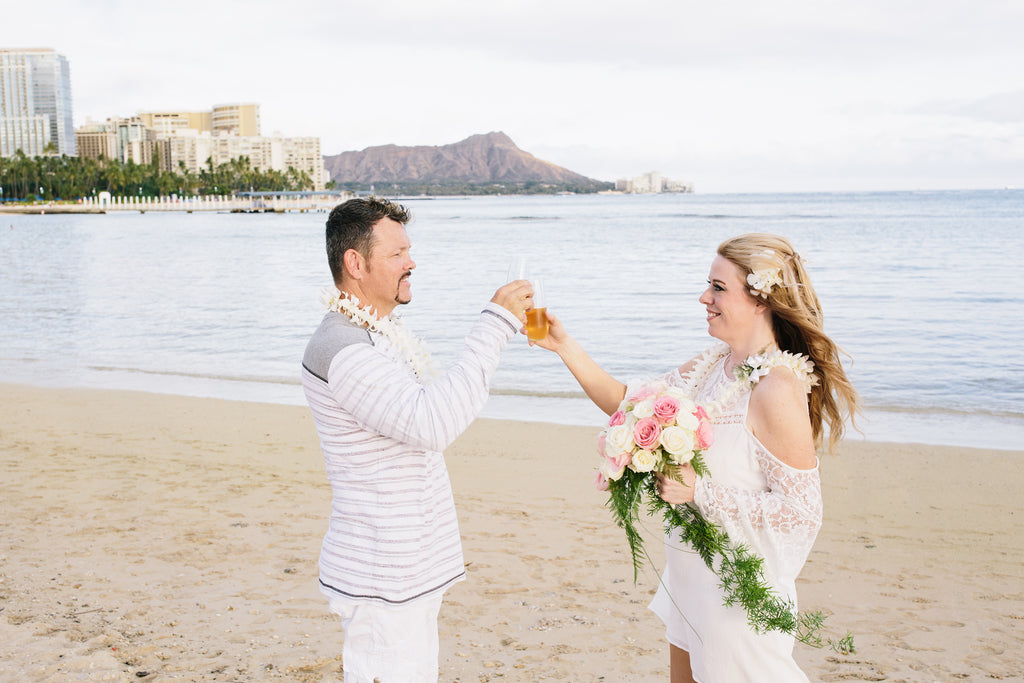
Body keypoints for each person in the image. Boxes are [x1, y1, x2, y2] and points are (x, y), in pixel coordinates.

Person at [532, 233, 858, 682]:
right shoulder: (713, 366)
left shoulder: (776, 387)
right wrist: (564, 347)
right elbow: (630, 404)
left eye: (718, 287)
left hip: (739, 595)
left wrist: (698, 491)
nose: (704, 297)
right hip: (691, 573)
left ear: (761, 298)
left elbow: (803, 513)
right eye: (709, 284)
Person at [301, 196, 533, 682]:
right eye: (397, 253)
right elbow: (432, 424)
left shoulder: (375, 334)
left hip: (404, 566)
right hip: (381, 573)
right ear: (355, 263)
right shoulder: (344, 349)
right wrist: (494, 325)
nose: (412, 262)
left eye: (409, 250)